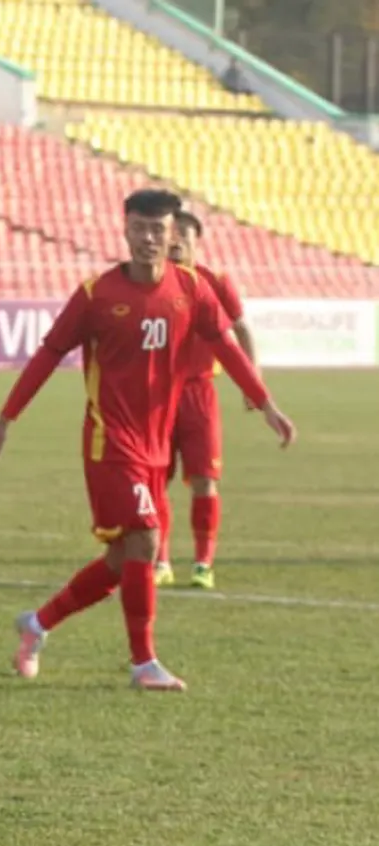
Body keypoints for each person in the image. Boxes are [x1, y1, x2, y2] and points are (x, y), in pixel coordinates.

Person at [0, 189, 295, 692]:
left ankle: (37, 625)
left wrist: (266, 404)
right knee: (147, 538)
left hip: (155, 444)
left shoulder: (191, 288)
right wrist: (5, 419)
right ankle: (143, 662)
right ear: (124, 229)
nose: (149, 238)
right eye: (140, 228)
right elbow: (46, 356)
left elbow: (227, 348)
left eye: (158, 229)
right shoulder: (96, 295)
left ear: (173, 233)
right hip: (110, 443)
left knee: (123, 558)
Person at [157, 210, 256, 590]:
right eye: (172, 233)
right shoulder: (151, 284)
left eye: (184, 233)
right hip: (157, 395)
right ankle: (160, 560)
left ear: (197, 240)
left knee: (205, 480)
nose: (177, 240)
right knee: (155, 480)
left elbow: (242, 328)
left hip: (200, 392)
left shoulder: (216, 282)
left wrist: (252, 380)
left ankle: (203, 563)